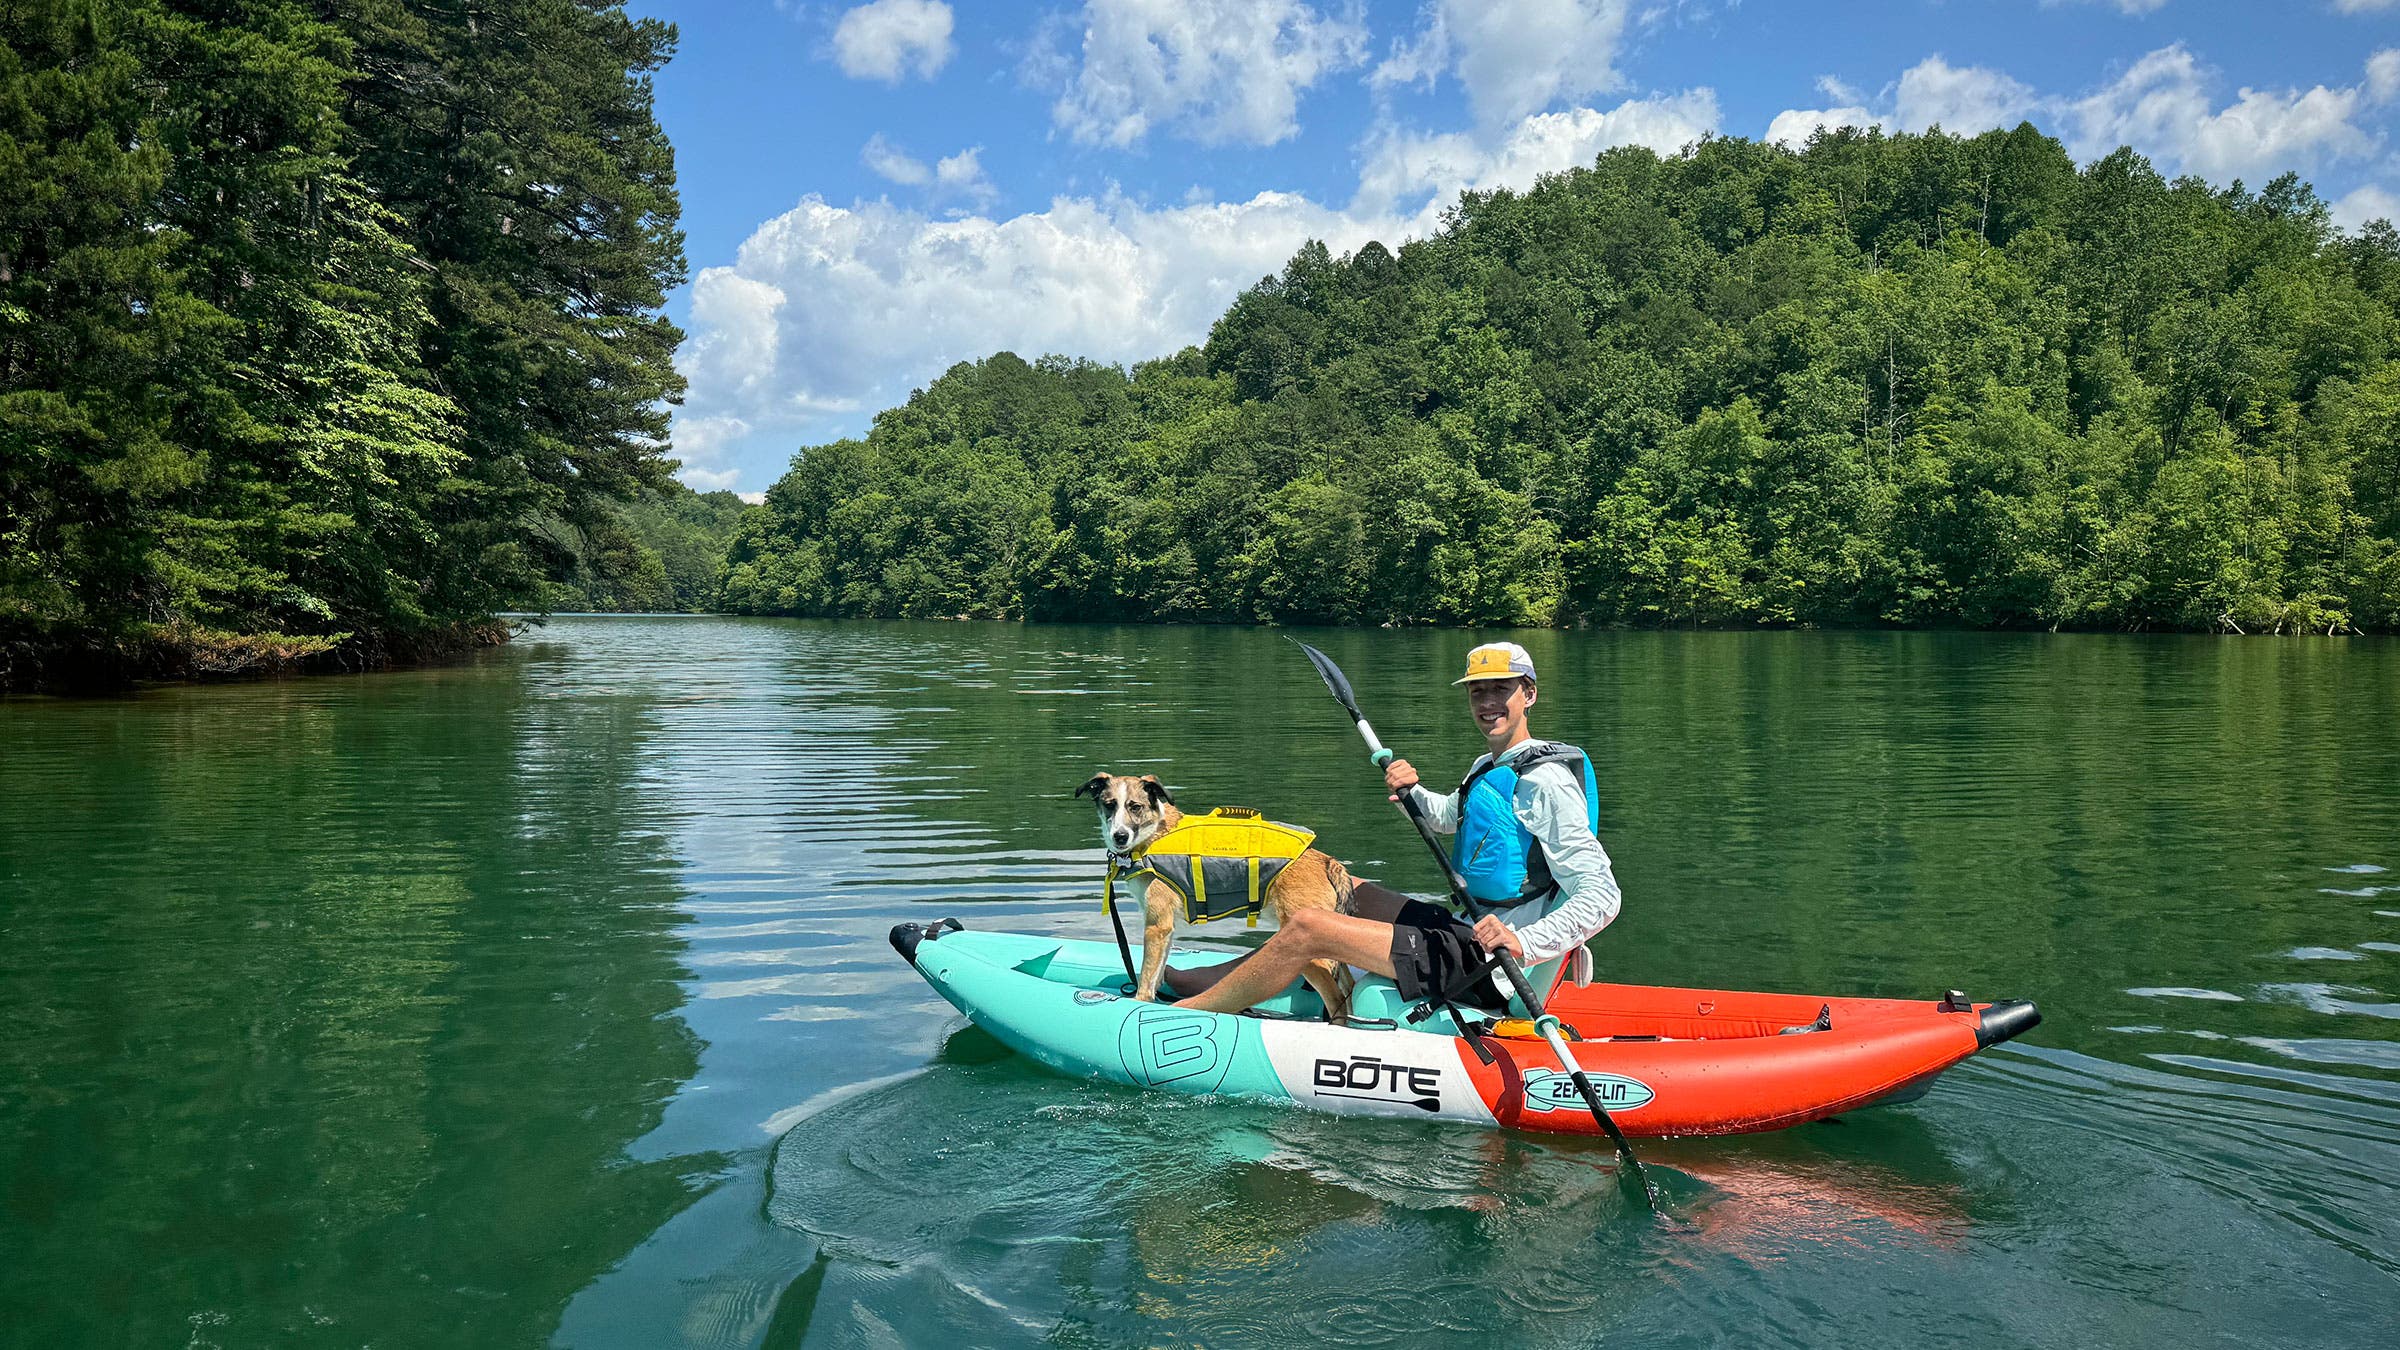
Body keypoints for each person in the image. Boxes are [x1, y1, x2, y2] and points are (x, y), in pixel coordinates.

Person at [1169, 641, 1622, 1017]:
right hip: (1463, 930)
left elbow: (1602, 894)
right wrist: (1413, 793)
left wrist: (1523, 940)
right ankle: (1233, 976)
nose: (1486, 703)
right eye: (1476, 692)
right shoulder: (1490, 764)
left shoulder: (1546, 780)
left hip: (1487, 965)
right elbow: (1449, 819)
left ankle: (1194, 1010)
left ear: (1529, 695)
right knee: (1336, 884)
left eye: (1500, 690)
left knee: (1309, 925)